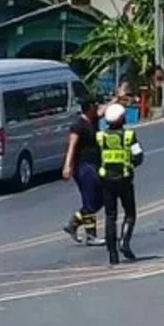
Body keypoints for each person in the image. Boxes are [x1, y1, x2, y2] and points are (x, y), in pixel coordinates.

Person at [97, 103, 144, 265]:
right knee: (130, 213)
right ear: (122, 119)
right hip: (124, 179)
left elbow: (97, 158)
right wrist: (129, 164)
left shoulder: (100, 137)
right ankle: (124, 242)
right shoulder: (129, 135)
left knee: (110, 216)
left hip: (106, 180)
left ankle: (112, 254)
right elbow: (138, 156)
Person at [61, 95, 104, 246]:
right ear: (89, 107)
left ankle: (75, 222)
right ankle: (91, 236)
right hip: (84, 167)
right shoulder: (78, 125)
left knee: (101, 198)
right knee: (90, 200)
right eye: (95, 105)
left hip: (96, 165)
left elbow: (104, 111)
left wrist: (118, 99)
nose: (98, 106)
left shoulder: (93, 120)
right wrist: (67, 166)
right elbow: (72, 147)